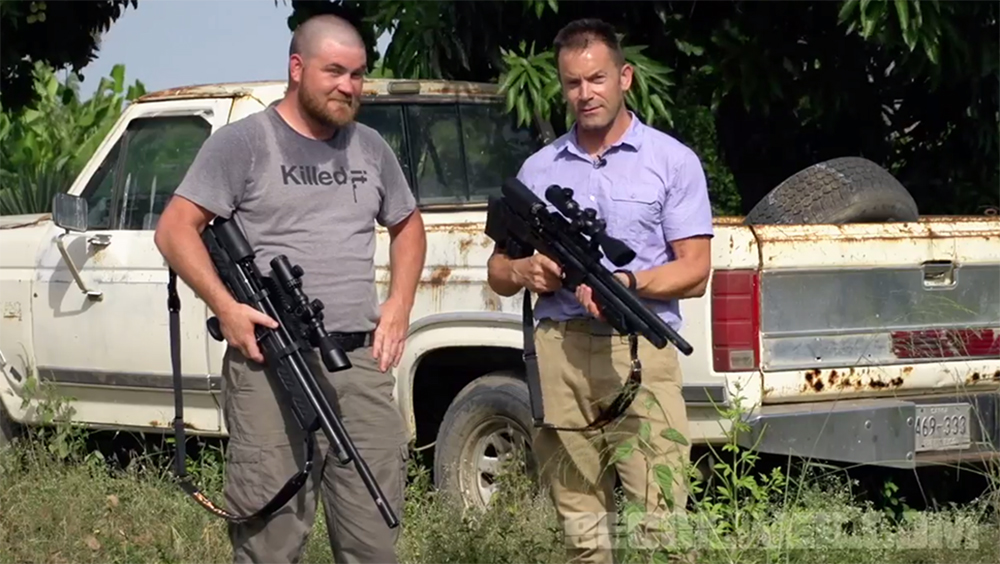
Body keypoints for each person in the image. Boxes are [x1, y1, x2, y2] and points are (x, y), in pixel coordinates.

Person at [153, 13, 426, 564]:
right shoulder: (244, 143)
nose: (348, 86)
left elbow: (408, 226)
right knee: (270, 542)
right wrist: (227, 307)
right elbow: (175, 229)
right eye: (334, 71)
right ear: (297, 68)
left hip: (357, 364)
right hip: (269, 366)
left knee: (374, 540)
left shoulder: (371, 147)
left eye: (357, 74)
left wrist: (399, 305)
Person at [486, 17, 713, 564]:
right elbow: (496, 270)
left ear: (624, 77)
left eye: (597, 79)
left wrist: (627, 282)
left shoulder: (671, 161)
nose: (585, 93)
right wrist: (526, 271)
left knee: (662, 526)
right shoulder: (538, 169)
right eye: (573, 83)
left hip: (639, 352)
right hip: (560, 352)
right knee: (582, 534)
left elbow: (696, 271)